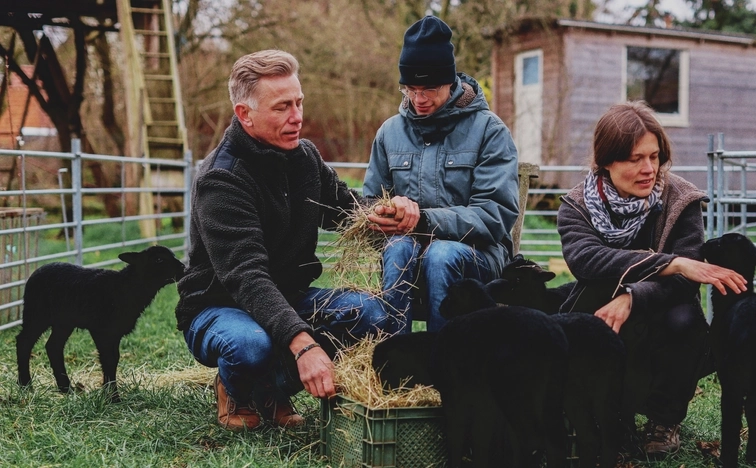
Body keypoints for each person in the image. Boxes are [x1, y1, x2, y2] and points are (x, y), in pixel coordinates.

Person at [175, 49, 408, 431]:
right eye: (282, 107)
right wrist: (305, 345)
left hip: (288, 297)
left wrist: (381, 211)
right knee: (250, 345)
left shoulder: (304, 156)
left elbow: (342, 206)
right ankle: (237, 388)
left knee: (371, 314)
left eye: (299, 102)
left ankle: (270, 388)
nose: (297, 117)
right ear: (244, 114)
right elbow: (247, 278)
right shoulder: (222, 179)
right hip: (221, 305)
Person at [556, 101, 747, 458]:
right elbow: (587, 260)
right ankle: (606, 415)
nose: (649, 169)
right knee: (588, 308)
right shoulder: (577, 205)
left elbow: (687, 281)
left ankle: (664, 418)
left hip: (661, 312)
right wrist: (671, 262)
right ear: (606, 161)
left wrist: (632, 296)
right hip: (601, 310)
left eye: (654, 157)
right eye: (634, 159)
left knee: (684, 317)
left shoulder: (679, 199)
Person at [363, 15, 520, 332]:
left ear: (451, 82)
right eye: (410, 89)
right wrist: (383, 213)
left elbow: (494, 214)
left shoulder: (489, 131)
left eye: (429, 89)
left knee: (441, 254)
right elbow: (369, 202)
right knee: (397, 248)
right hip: (410, 255)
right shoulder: (390, 133)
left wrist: (424, 220)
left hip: (478, 257)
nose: (418, 100)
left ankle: (443, 367)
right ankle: (397, 362)